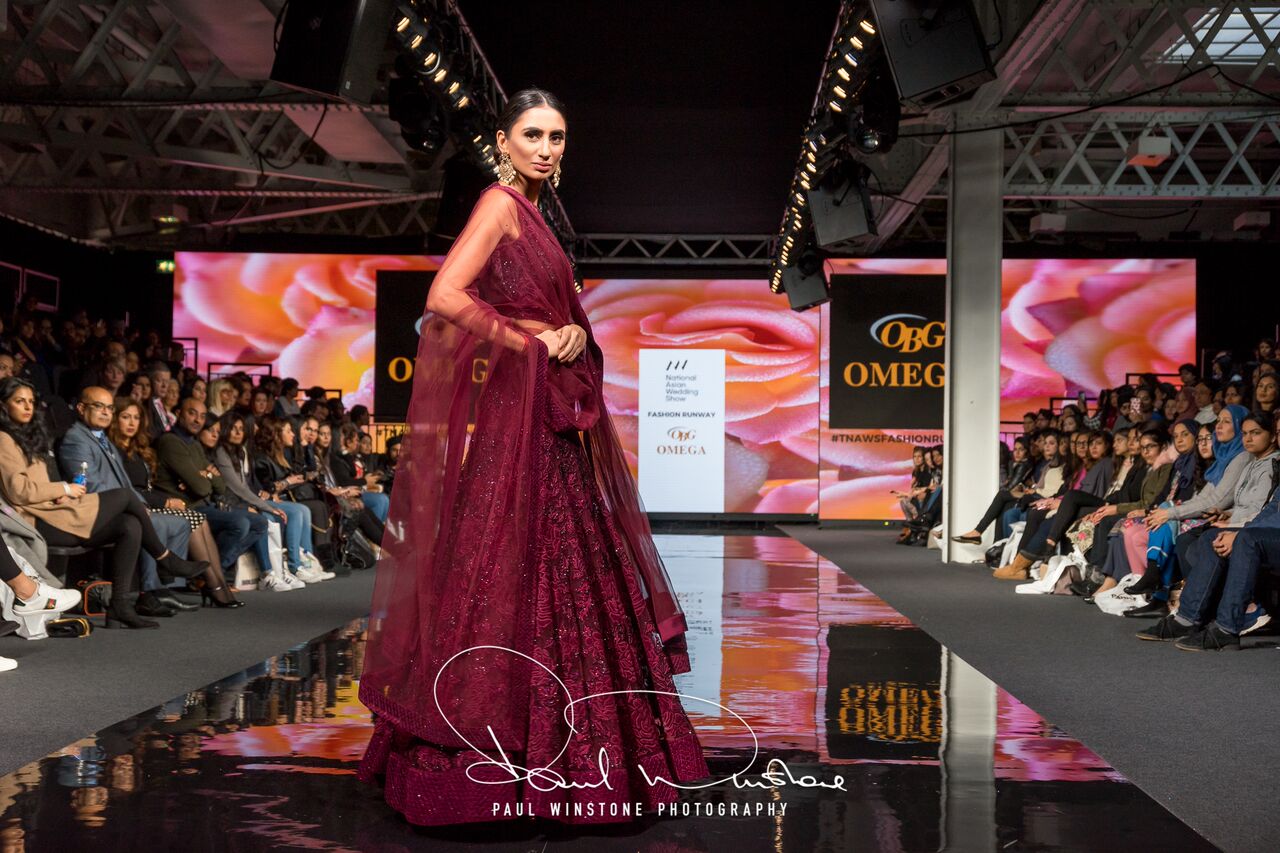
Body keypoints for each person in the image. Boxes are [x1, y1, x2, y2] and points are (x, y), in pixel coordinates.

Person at [357, 88, 708, 826]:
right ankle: (501, 746)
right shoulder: (500, 205)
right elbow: (445, 294)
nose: (547, 148)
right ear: (503, 141)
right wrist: (529, 339)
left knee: (561, 558)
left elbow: (541, 314)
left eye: (557, 136)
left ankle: (569, 745)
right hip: (518, 412)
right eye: (533, 135)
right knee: (505, 560)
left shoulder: (537, 214)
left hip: (546, 413)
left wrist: (570, 335)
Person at [0, 377, 208, 628]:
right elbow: (18, 491)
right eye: (19, 401)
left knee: (129, 525)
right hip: (35, 520)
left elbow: (35, 486)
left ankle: (120, 606)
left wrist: (58, 494)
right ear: (4, 405)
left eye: (31, 401)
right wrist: (63, 488)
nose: (27, 407)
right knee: (126, 496)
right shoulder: (3, 438)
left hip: (52, 510)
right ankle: (165, 558)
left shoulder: (27, 437)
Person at [1137, 412, 1280, 648]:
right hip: (1259, 527)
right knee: (1209, 536)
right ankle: (1188, 618)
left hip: (1262, 532)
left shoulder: (1271, 464)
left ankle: (1227, 627)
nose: (1248, 438)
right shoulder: (1250, 462)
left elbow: (1263, 511)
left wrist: (1240, 530)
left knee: (1244, 539)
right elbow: (1271, 509)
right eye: (1245, 433)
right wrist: (1230, 517)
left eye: (1256, 433)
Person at [56, 386, 198, 617]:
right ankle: (149, 592)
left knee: (180, 523)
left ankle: (162, 588)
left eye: (109, 408)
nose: (105, 412)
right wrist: (131, 505)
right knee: (152, 523)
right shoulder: (75, 439)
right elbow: (89, 484)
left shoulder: (103, 439)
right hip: (95, 509)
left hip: (122, 504)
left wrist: (141, 504)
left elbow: (127, 485)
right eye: (98, 406)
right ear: (81, 408)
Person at [108, 398, 239, 607]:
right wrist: (167, 500)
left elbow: (218, 486)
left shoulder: (138, 448)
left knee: (199, 519)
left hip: (151, 501)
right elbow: (201, 488)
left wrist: (206, 476)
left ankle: (218, 584)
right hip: (141, 503)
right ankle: (211, 585)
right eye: (126, 417)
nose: (132, 423)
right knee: (195, 519)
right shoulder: (114, 449)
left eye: (136, 418)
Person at [213, 412, 327, 589]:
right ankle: (271, 572)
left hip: (251, 499)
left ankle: (295, 566)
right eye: (234, 428)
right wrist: (263, 503)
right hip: (233, 502)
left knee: (298, 511)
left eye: (241, 428)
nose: (239, 432)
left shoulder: (240, 451)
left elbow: (247, 485)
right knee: (269, 518)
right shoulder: (224, 452)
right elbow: (238, 487)